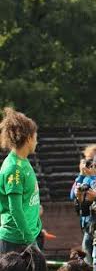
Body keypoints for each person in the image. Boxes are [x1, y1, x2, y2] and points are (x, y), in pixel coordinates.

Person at [0, 107, 41, 254]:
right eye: (36, 137)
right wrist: (30, 240)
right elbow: (15, 209)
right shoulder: (14, 168)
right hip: (17, 241)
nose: (36, 141)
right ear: (29, 138)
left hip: (29, 235)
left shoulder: (23, 162)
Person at [70, 145, 96, 264]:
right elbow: (72, 196)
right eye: (86, 159)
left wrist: (92, 176)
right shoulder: (84, 177)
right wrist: (81, 175)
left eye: (91, 159)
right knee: (89, 256)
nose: (88, 162)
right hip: (86, 222)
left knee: (95, 258)